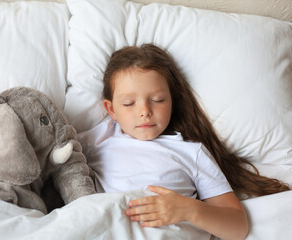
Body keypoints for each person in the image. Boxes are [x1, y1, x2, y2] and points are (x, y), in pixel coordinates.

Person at [77, 44, 289, 240]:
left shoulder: (191, 152)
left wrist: (189, 209)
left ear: (172, 101)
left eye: (158, 100)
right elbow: (54, 153)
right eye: (129, 103)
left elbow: (238, 226)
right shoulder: (98, 140)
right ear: (111, 109)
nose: (145, 112)